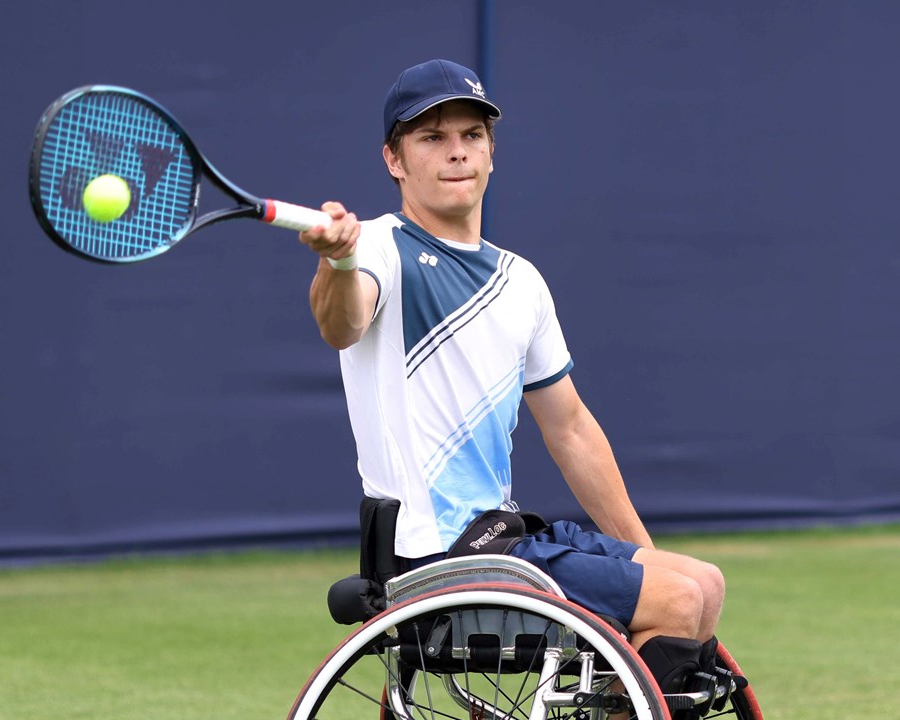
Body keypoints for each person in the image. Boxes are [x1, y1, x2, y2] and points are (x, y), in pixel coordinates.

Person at [299, 58, 728, 704]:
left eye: (472, 136)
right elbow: (342, 323)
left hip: (502, 540)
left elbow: (573, 430)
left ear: (492, 154)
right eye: (431, 137)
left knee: (702, 585)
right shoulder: (382, 249)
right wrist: (339, 259)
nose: (456, 153)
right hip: (438, 562)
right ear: (394, 159)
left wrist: (647, 559)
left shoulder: (521, 283)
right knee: (680, 597)